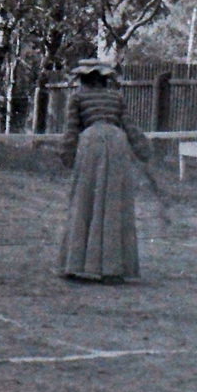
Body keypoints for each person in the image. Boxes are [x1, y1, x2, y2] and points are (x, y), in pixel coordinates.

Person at [57, 59, 151, 282]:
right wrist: (142, 150)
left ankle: (80, 263)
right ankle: (112, 267)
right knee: (113, 202)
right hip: (118, 143)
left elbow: (71, 129)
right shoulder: (116, 97)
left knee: (86, 199)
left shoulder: (78, 97)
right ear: (104, 79)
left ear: (84, 79)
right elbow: (129, 126)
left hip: (92, 144)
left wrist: (67, 155)